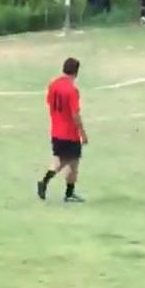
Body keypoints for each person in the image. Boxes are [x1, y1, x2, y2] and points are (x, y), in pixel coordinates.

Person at [37, 58, 88, 203]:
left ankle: (60, 188)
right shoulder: (72, 90)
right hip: (69, 133)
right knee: (71, 161)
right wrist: (83, 134)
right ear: (76, 72)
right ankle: (61, 189)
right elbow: (75, 115)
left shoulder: (54, 85)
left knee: (64, 160)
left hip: (56, 131)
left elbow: (49, 103)